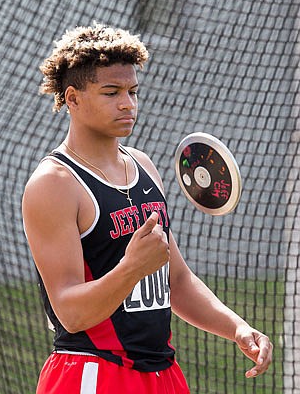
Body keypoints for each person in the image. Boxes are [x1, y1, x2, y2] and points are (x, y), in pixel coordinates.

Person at [22, 23, 273, 394]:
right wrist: (132, 267)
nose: (128, 103)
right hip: (92, 372)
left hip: (162, 373)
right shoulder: (54, 184)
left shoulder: (143, 165)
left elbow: (177, 281)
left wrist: (235, 326)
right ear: (72, 98)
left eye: (132, 91)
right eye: (112, 92)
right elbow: (71, 314)